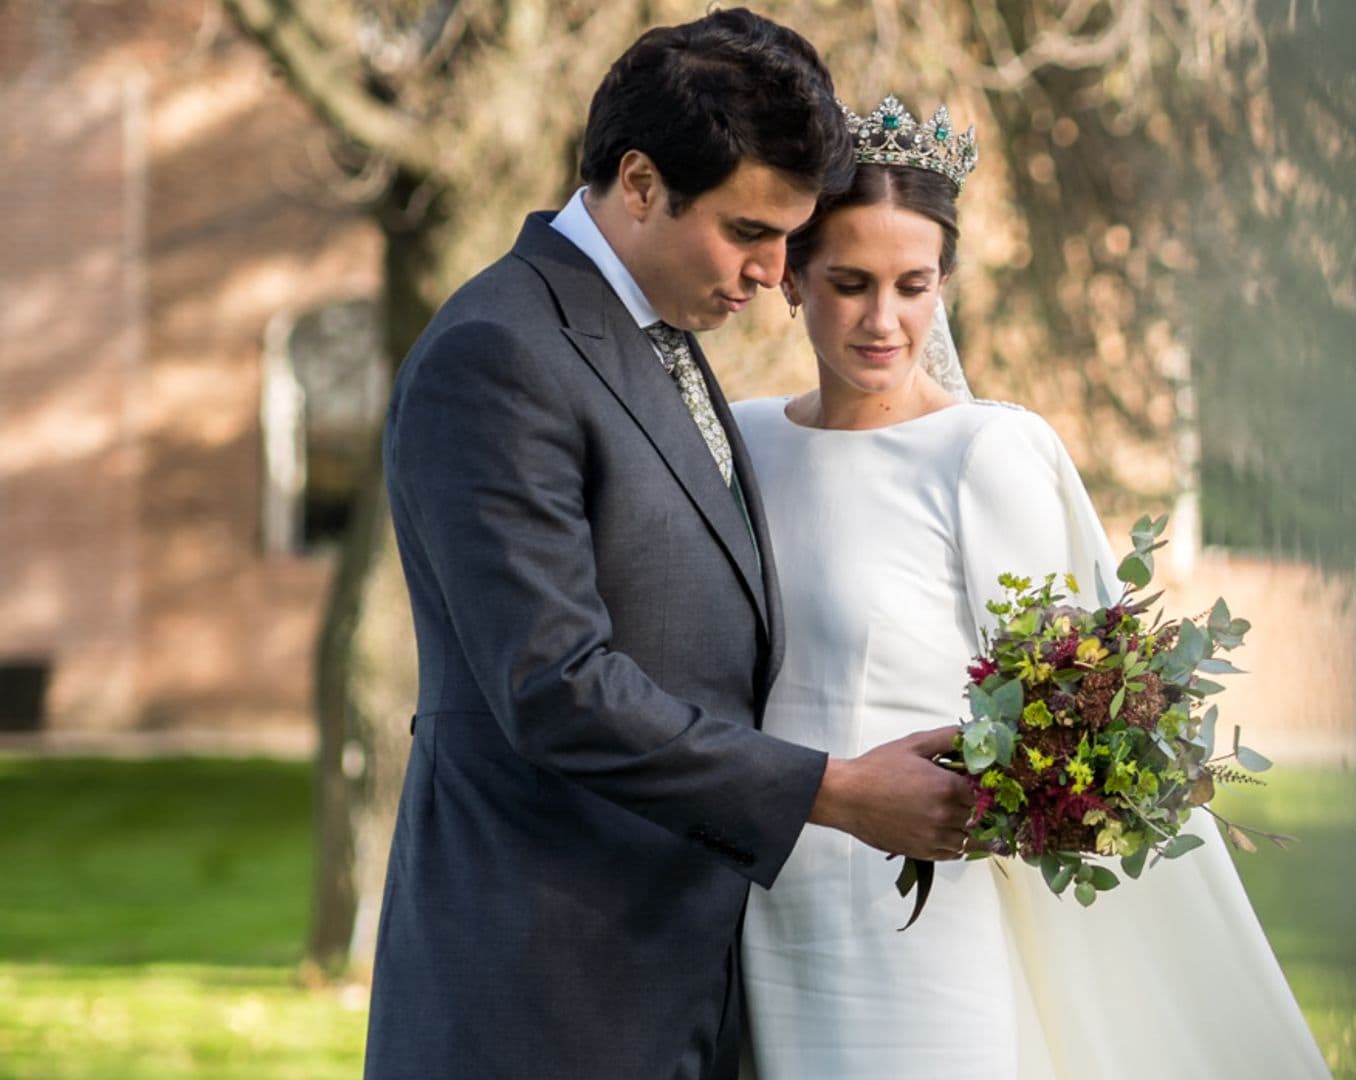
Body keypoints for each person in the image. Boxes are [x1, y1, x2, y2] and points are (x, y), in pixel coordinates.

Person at [366, 15, 975, 1079]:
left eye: (787, 237)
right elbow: (553, 682)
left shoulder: (663, 337)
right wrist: (833, 790)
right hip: (543, 995)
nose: (772, 273)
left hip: (689, 980)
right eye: (748, 232)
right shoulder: (497, 353)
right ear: (639, 182)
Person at [732, 96, 1336, 1078]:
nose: (884, 320)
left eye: (912, 284)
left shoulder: (984, 454)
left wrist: (1023, 789)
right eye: (848, 283)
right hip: (759, 905)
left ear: (945, 286)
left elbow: (1067, 703)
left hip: (916, 916)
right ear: (792, 279)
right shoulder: (743, 441)